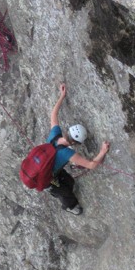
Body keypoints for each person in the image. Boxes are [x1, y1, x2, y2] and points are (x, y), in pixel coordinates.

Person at [46, 83, 110, 215]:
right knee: (65, 193)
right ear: (75, 143)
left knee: (70, 181)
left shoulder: (54, 135)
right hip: (47, 178)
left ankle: (63, 187)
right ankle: (70, 207)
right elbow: (91, 165)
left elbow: (53, 115)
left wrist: (62, 96)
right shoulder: (67, 153)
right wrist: (102, 151)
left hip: (50, 168)